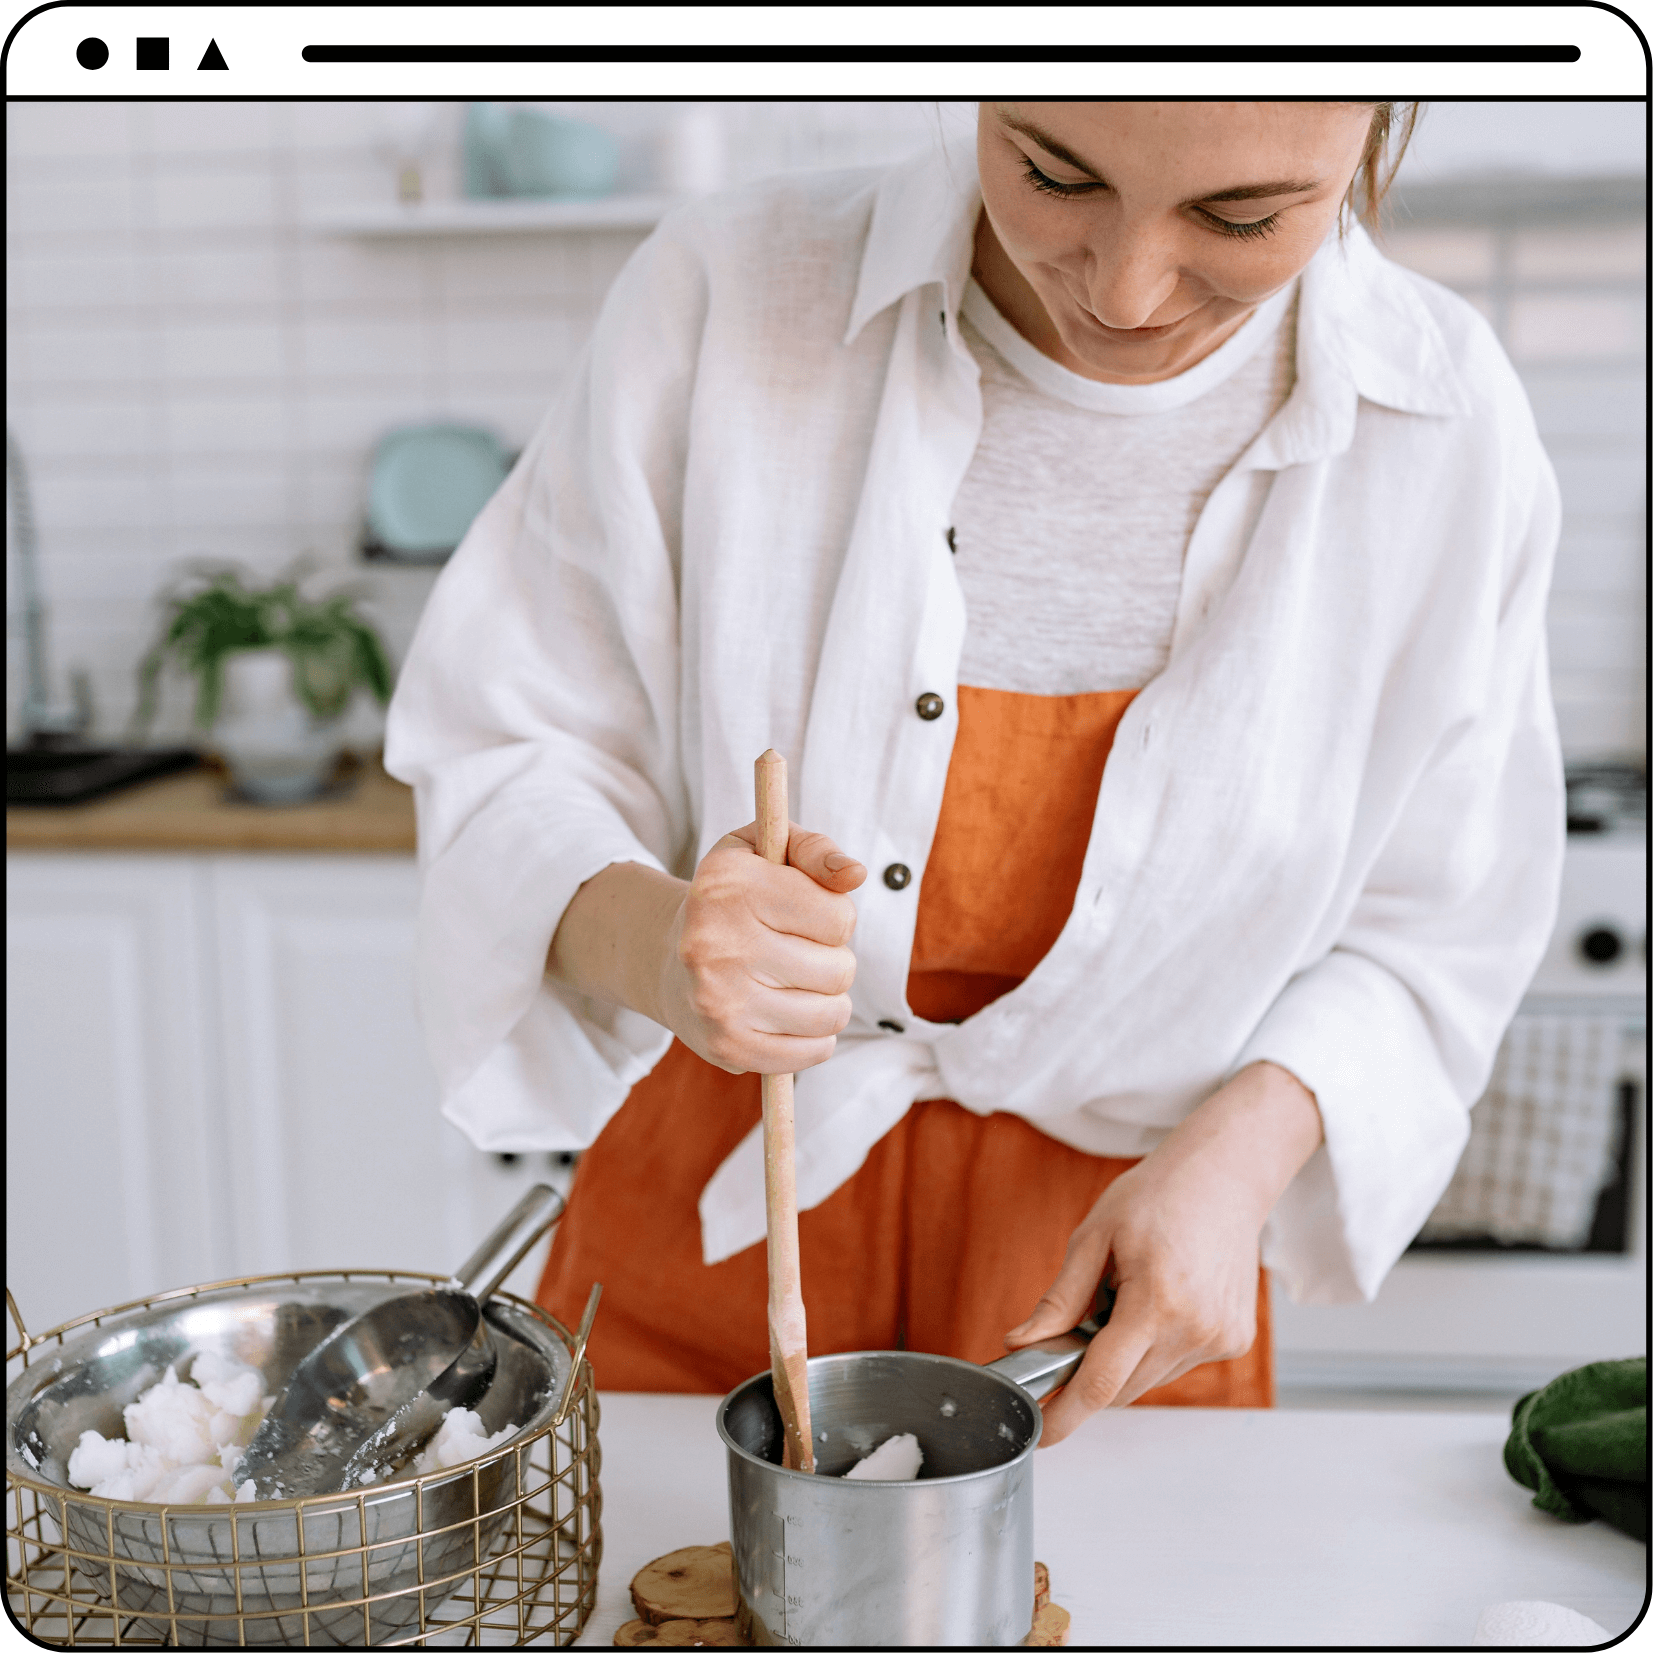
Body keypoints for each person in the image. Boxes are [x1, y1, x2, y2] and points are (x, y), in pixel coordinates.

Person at [385, 102, 1564, 1444]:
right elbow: (508, 743)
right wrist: (665, 943)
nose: (1123, 292)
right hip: (718, 1190)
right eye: (1051, 173)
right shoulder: (730, 288)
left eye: (1240, 218)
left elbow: (1434, 932)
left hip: (1115, 1276)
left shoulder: (1444, 426)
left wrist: (1241, 1157)